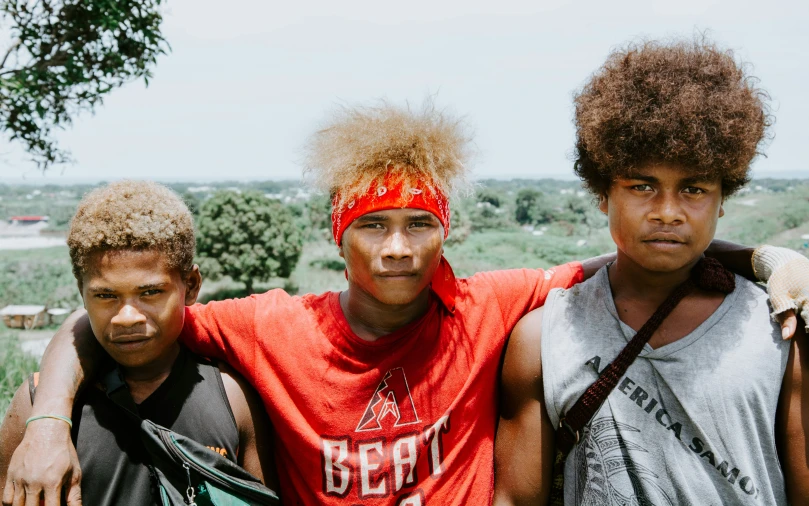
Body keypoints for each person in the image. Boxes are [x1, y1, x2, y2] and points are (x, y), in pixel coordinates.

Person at [5, 101, 808, 506]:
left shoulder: (490, 304)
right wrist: (45, 425)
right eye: (372, 226)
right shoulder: (271, 327)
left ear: (444, 232)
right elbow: (106, 324)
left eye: (419, 224)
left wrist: (764, 255)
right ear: (339, 236)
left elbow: (637, 253)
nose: (396, 248)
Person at [493, 38, 809, 505]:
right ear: (602, 193)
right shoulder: (543, 338)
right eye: (642, 186)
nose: (667, 212)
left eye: (694, 189)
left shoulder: (778, 329)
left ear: (723, 200)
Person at [0, 181, 277, 506]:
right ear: (81, 292)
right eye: (106, 295)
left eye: (150, 293)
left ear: (190, 285)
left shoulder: (233, 399)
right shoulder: (36, 407)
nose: (127, 317)